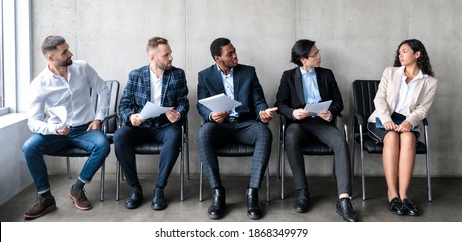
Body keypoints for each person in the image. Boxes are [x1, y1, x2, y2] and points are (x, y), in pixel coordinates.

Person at [22, 35, 111, 219]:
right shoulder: (39, 84)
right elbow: (33, 121)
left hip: (86, 129)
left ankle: (77, 188)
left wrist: (98, 118)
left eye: (68, 48)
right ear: (51, 58)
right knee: (29, 147)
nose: (71, 53)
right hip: (57, 132)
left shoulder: (82, 67)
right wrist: (54, 129)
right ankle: (45, 197)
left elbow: (103, 90)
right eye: (65, 52)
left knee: (103, 146)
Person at [275, 39, 357, 222]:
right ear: (303, 59)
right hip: (299, 124)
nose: (319, 56)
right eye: (315, 54)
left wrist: (331, 113)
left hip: (322, 123)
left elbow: (338, 102)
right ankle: (302, 191)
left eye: (318, 52)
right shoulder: (288, 76)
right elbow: (280, 104)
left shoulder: (327, 74)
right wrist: (294, 112)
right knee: (290, 135)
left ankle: (344, 200)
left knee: (340, 141)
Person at [197, 37, 277, 220]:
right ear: (218, 58)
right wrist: (211, 115)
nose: (235, 56)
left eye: (235, 51)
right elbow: (201, 105)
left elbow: (258, 99)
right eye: (230, 54)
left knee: (264, 132)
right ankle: (218, 193)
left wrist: (262, 111)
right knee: (203, 134)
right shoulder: (204, 75)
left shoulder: (248, 72)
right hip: (221, 126)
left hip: (245, 124)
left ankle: (253, 193)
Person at [114, 36, 189, 211]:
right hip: (140, 126)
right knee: (119, 136)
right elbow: (123, 105)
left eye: (170, 54)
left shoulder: (178, 74)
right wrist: (131, 116)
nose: (171, 58)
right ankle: (135, 188)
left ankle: (159, 188)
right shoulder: (136, 75)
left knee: (175, 134)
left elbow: (184, 102)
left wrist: (178, 114)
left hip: (165, 126)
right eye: (166, 55)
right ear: (152, 57)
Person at [368, 39, 437, 216]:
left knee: (408, 138)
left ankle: (404, 196)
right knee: (391, 137)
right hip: (383, 119)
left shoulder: (429, 82)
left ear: (417, 54)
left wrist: (409, 123)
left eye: (405, 51)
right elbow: (379, 99)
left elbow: (422, 109)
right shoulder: (390, 72)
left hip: (407, 120)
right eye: (399, 52)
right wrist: (386, 120)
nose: (400, 55)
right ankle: (392, 194)